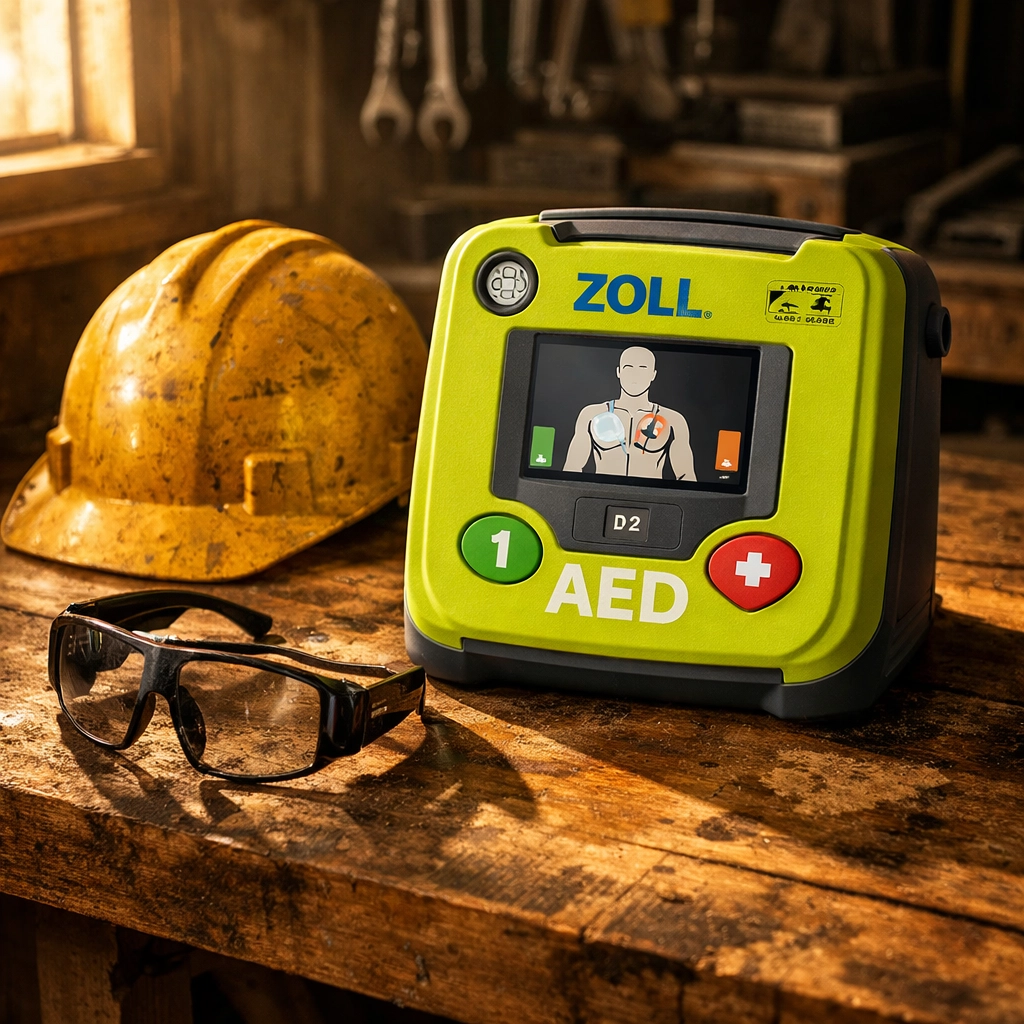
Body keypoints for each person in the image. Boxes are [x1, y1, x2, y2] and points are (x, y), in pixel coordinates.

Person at [563, 346, 696, 480]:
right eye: (628, 367)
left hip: (651, 498)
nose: (635, 374)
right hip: (600, 495)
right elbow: (572, 467)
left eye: (643, 368)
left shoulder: (674, 420)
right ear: (619, 372)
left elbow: (686, 476)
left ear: (653, 374)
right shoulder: (591, 415)